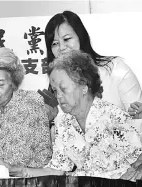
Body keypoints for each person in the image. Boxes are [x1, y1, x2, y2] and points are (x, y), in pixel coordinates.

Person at [14, 50, 142, 180]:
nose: (58, 96)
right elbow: (57, 169)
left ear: (84, 87)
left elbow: (138, 159)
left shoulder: (113, 117)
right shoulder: (64, 123)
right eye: (55, 90)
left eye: (63, 89)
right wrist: (16, 171)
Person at [0, 47, 54, 172]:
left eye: (1, 84)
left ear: (13, 82)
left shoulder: (32, 103)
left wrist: (12, 169)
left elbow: (44, 154)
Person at [45, 10, 142, 119]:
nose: (62, 47)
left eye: (67, 39)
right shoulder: (55, 85)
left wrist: (138, 115)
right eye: (55, 43)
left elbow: (137, 115)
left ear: (80, 37)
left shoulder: (115, 68)